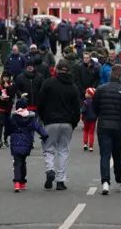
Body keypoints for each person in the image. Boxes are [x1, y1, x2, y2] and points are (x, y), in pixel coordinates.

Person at [92, 64, 121, 195]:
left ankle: (105, 182)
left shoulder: (100, 89)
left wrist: (100, 115)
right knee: (117, 154)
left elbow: (95, 107)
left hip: (104, 125)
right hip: (119, 126)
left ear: (111, 73)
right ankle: (118, 177)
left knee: (105, 154)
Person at [38, 60, 81, 191]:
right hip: (67, 122)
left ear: (56, 70)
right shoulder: (73, 87)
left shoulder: (48, 84)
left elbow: (40, 103)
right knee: (63, 151)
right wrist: (73, 123)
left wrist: (44, 119)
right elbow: (77, 108)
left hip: (50, 121)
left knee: (48, 148)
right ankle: (60, 181)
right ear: (68, 71)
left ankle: (50, 170)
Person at [7, 98, 49, 192]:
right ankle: (22, 182)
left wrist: (7, 134)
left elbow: (8, 130)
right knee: (23, 161)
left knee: (17, 162)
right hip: (27, 143)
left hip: (15, 143)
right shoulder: (31, 118)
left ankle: (17, 183)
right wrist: (44, 135)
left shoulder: (13, 118)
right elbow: (38, 127)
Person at [0, 72, 16, 148]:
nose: (5, 78)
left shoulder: (12, 85)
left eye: (7, 77)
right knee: (1, 123)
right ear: (2, 77)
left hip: (8, 107)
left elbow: (12, 95)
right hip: (1, 107)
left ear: (9, 78)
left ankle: (5, 139)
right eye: (4, 77)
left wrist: (8, 87)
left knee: (7, 124)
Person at [81, 88, 97, 152]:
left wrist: (82, 114)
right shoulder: (95, 102)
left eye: (86, 93)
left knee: (85, 131)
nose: (85, 94)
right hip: (93, 119)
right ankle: (91, 146)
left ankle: (85, 144)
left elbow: (83, 110)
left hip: (86, 119)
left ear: (90, 94)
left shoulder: (85, 102)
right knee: (91, 132)